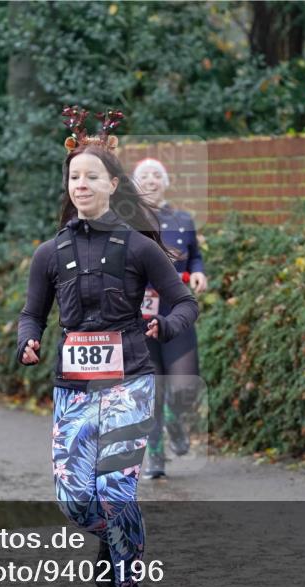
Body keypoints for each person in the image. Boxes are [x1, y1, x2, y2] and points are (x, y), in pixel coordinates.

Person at [16, 107, 198, 587]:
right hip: (73, 387)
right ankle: (112, 537)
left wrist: (168, 324)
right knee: (75, 497)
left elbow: (185, 302)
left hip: (130, 382)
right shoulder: (49, 253)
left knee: (117, 488)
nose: (80, 185)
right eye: (74, 177)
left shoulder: (140, 247)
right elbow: (32, 314)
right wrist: (28, 341)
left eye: (91, 176)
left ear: (113, 184)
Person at [132, 158, 207, 479]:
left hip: (176, 310)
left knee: (182, 386)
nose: (151, 180)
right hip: (141, 314)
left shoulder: (183, 219)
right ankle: (156, 458)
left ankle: (176, 424)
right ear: (136, 184)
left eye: (156, 175)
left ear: (166, 182)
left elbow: (197, 256)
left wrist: (199, 273)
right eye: (144, 175)